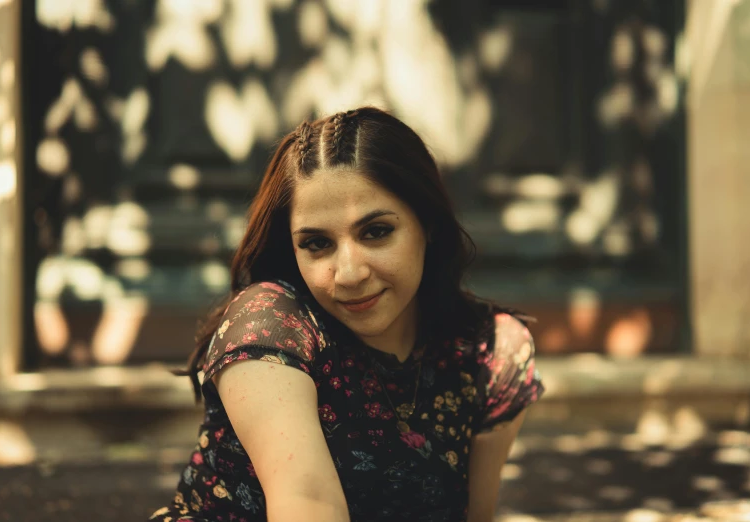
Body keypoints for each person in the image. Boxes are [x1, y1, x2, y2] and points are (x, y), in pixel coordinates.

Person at [149, 107, 544, 522]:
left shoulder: (492, 352)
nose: (350, 274)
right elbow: (308, 505)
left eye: (376, 232)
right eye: (318, 244)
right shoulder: (271, 326)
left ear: (426, 223)